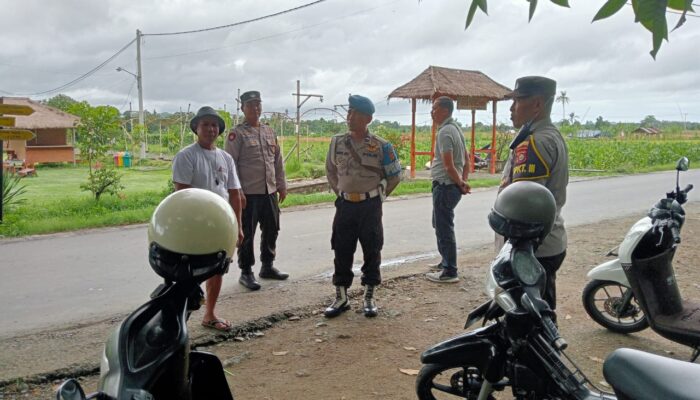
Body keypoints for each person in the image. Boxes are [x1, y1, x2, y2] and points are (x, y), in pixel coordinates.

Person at [324, 94, 402, 318]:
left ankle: (369, 296)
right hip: (345, 204)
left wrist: (379, 196)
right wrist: (339, 190)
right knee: (341, 248)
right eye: (349, 112)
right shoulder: (337, 142)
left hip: (370, 206)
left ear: (367, 118)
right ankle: (341, 297)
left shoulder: (381, 146)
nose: (349, 117)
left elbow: (395, 175)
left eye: (355, 113)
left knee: (372, 248)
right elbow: (330, 169)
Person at [497, 76, 569, 310]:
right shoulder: (549, 135)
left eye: (517, 101)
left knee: (530, 321)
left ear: (537, 104)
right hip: (547, 244)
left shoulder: (534, 143)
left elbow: (524, 211)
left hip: (532, 250)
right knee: (541, 313)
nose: (511, 108)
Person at [172, 106, 244, 331]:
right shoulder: (186, 156)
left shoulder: (226, 158)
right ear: (196, 128)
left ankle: (210, 314)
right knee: (188, 274)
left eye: (214, 125)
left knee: (217, 269)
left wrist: (238, 227)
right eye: (206, 125)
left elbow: (234, 193)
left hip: (221, 225)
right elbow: (181, 193)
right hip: (194, 226)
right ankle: (176, 322)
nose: (211, 129)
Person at [226, 91, 289, 291]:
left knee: (272, 228)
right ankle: (246, 272)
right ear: (243, 108)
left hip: (269, 191)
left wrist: (282, 184)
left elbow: (277, 161)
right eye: (250, 105)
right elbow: (230, 165)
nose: (255, 108)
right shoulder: (237, 134)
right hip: (248, 194)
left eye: (258, 104)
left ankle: (267, 266)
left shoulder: (269, 132)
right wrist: (237, 192)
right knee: (247, 233)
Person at [425, 96, 471, 283]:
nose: (432, 112)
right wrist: (463, 181)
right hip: (450, 185)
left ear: (444, 110)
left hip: (445, 186)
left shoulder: (445, 132)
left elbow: (448, 165)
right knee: (439, 223)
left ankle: (450, 271)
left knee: (444, 227)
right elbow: (467, 159)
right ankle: (446, 261)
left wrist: (460, 183)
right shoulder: (455, 129)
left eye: (435, 108)